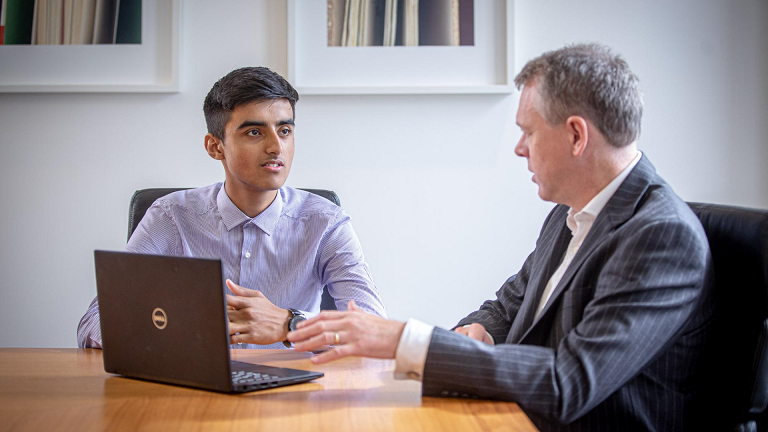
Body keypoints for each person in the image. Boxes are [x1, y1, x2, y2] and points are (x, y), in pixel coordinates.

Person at [288, 44, 714, 431]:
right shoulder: (569, 213)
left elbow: (570, 382)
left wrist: (402, 340)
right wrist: (479, 332)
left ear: (576, 135)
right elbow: (507, 307)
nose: (519, 149)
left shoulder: (661, 237)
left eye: (528, 132)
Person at [78, 67, 386, 350]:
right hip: (192, 391)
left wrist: (289, 324)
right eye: (255, 132)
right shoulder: (170, 216)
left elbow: (373, 329)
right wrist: (181, 327)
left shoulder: (325, 222)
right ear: (216, 147)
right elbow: (94, 323)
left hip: (294, 396)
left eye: (285, 131)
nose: (276, 147)